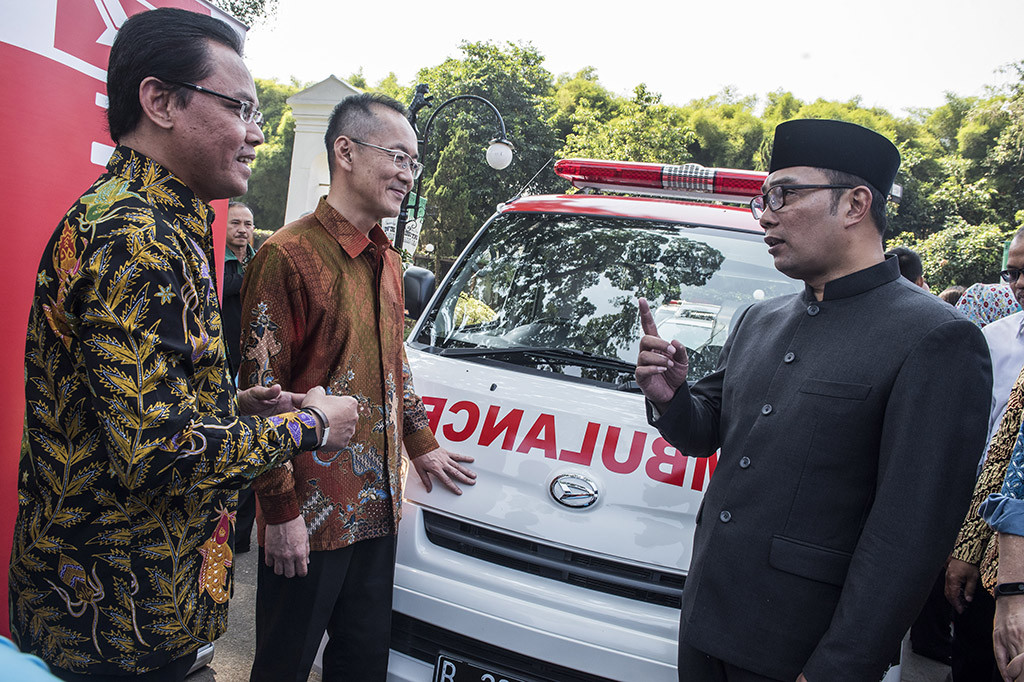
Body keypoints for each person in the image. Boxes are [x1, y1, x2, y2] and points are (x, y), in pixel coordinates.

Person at [8, 9, 358, 681]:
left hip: (156, 607)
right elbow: (156, 451)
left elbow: (136, 408)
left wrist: (237, 406)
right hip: (113, 623)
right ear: (161, 102)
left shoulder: (168, 224)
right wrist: (311, 425)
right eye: (240, 108)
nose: (256, 134)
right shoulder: (132, 235)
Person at [636, 118, 992, 681]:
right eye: (763, 198)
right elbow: (707, 431)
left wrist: (838, 669)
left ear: (855, 204)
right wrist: (670, 397)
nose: (766, 214)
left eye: (785, 194)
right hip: (706, 624)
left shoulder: (937, 338)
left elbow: (909, 536)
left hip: (800, 651)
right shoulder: (760, 318)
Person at [239, 93, 477, 682]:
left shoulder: (387, 260)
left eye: (414, 162)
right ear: (345, 152)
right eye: (397, 156)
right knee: (283, 667)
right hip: (310, 518)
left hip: (378, 508)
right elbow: (261, 398)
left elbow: (394, 363)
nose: (408, 174)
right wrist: (281, 512)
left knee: (363, 665)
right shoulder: (286, 256)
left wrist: (422, 444)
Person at [946, 233, 1024, 680]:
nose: (1019, 283)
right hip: (993, 553)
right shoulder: (993, 341)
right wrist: (966, 549)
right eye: (1012, 273)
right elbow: (997, 460)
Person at [223, 201, 258, 553]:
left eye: (248, 224)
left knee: (249, 449)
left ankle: (240, 538)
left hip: (254, 367)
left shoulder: (257, 259)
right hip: (223, 366)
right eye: (235, 223)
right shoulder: (217, 262)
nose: (243, 230)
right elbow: (226, 286)